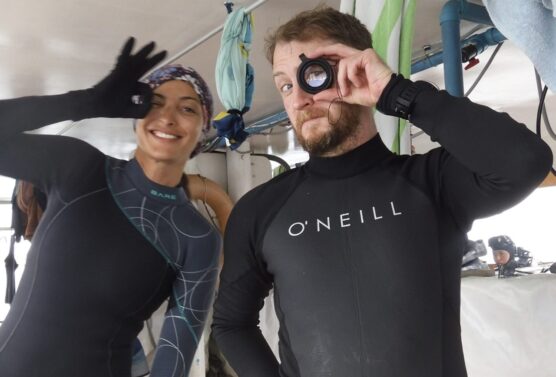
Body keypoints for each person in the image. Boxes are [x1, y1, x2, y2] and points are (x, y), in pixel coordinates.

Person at [211, 6, 553, 377]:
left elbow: (525, 161)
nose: (298, 99)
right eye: (285, 85)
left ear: (356, 66)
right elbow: (232, 324)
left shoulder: (431, 182)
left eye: (313, 74)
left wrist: (396, 92)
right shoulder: (261, 210)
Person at [0, 37, 221, 377]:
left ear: (202, 131)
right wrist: (86, 101)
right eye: (155, 102)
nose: (168, 117)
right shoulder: (81, 168)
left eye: (188, 108)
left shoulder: (195, 236)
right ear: (135, 118)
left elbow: (174, 357)